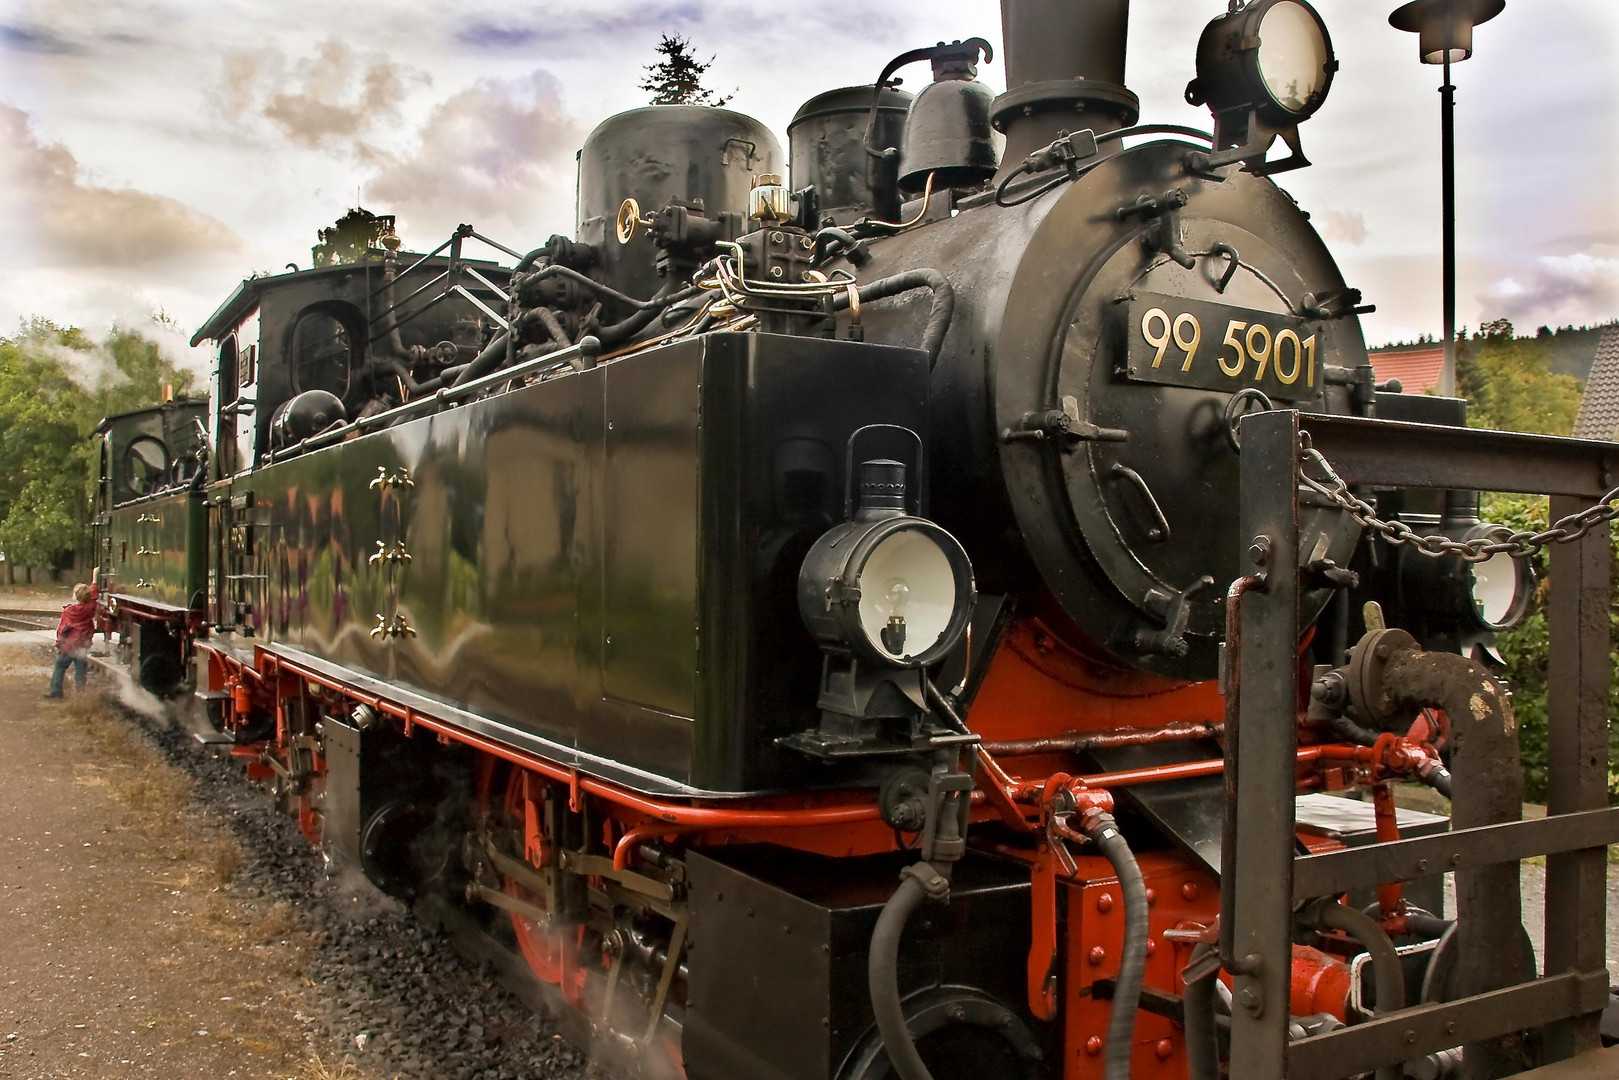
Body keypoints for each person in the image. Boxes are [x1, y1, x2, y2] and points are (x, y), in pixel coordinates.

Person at [45, 582, 99, 699]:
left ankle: (56, 692)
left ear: (76, 596)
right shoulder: (90, 608)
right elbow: (94, 595)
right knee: (80, 670)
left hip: (69, 646)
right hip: (82, 645)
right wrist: (95, 580)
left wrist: (59, 643)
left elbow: (63, 629)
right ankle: (80, 694)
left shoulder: (69, 611)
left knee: (60, 667)